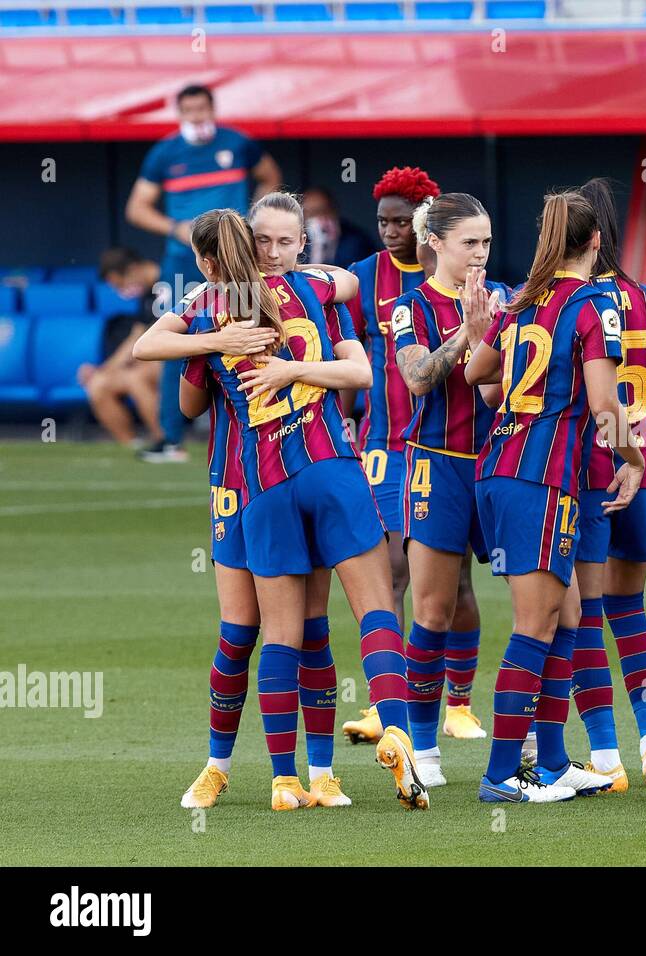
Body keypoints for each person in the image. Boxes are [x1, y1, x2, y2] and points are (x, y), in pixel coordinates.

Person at [134, 206, 424, 812]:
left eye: (285, 241)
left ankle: (291, 777)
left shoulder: (213, 308)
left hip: (257, 485)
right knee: (304, 621)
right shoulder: (302, 290)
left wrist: (211, 351)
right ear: (252, 243)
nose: (274, 250)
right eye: (265, 240)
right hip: (292, 475)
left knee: (269, 631)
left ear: (206, 260)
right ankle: (371, 736)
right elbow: (355, 319)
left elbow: (177, 392)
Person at [465, 190, 645, 804]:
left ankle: (553, 762)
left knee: (566, 616)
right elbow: (603, 405)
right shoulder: (598, 302)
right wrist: (635, 462)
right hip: (541, 479)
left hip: (500, 468)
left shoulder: (523, 301)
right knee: (536, 623)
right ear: (596, 242)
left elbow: (474, 373)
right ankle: (500, 776)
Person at [567, 178, 646, 790]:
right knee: (628, 607)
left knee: (584, 612)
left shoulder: (560, 300)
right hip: (639, 461)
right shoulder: (643, 297)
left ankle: (605, 759)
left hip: (582, 467)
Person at [390, 192, 514, 784]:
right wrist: (470, 335)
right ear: (435, 243)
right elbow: (416, 378)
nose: (480, 253)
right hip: (435, 466)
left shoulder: (510, 300)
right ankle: (423, 747)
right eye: (470, 242)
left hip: (501, 464)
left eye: (487, 242)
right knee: (433, 608)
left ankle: (529, 739)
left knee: (534, 609)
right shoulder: (409, 306)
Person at [125, 83, 281, 463]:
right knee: (174, 330)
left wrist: (247, 218)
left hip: (236, 257)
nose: (197, 115)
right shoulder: (165, 153)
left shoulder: (237, 142)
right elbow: (137, 208)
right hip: (185, 259)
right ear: (179, 112)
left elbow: (270, 176)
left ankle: (261, 424)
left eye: (202, 107)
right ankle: (170, 436)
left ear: (212, 107)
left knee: (252, 331)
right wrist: (175, 228)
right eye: (189, 109)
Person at [336, 167, 441, 711]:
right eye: (384, 221)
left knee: (450, 583)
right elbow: (345, 354)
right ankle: (389, 702)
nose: (392, 231)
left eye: (402, 221)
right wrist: (340, 431)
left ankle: (459, 701)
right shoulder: (362, 277)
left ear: (424, 224)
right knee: (393, 569)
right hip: (383, 445)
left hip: (444, 444)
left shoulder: (446, 276)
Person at [77, 248, 164, 449]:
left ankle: (167, 442)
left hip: (187, 360)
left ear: (133, 269)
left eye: (120, 284)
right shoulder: (147, 294)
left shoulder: (172, 281)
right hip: (158, 361)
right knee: (98, 384)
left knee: (137, 377)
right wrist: (102, 371)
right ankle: (132, 446)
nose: (122, 290)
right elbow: (136, 338)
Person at [303, 186, 376, 268]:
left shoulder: (357, 241)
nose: (320, 218)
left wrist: (330, 247)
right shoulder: (299, 244)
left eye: (324, 211)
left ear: (334, 210)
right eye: (312, 213)